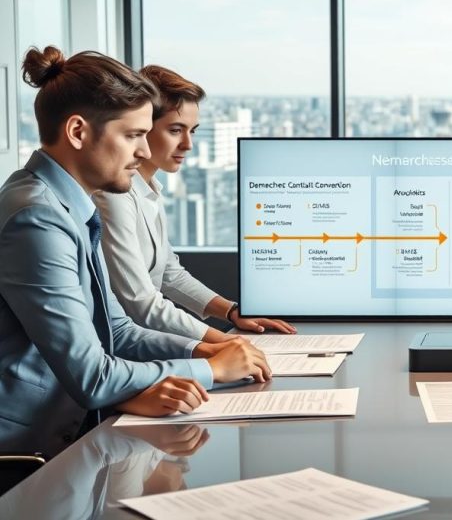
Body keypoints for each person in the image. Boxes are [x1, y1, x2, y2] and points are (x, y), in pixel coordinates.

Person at [0, 46, 270, 459]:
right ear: (78, 131)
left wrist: (205, 349)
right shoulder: (37, 218)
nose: (144, 152)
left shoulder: (68, 205)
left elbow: (119, 329)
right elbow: (92, 375)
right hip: (31, 451)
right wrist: (212, 369)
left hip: (69, 430)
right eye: (133, 136)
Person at [93, 65, 295, 341]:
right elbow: (140, 303)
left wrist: (232, 312)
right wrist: (226, 342)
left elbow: (168, 274)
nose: (188, 144)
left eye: (193, 131)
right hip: (125, 350)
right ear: (142, 127)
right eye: (176, 130)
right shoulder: (113, 196)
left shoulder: (149, 188)